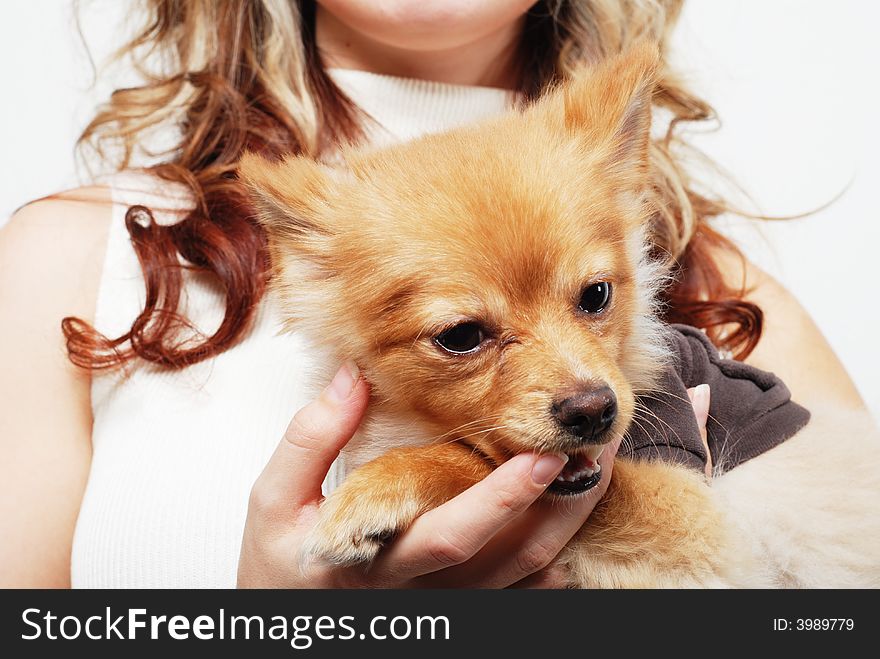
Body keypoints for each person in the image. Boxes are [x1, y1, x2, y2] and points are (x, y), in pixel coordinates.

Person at [0, 0, 867, 589]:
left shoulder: (737, 303)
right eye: (461, 333)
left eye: (596, 295)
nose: (581, 379)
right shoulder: (73, 258)